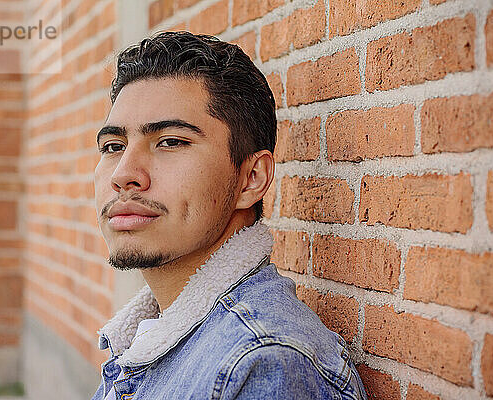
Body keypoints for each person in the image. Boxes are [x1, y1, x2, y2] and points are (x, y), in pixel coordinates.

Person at [91, 31, 367, 400]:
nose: (123, 174)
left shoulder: (262, 364)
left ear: (251, 179)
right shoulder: (151, 333)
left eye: (171, 141)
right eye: (113, 146)